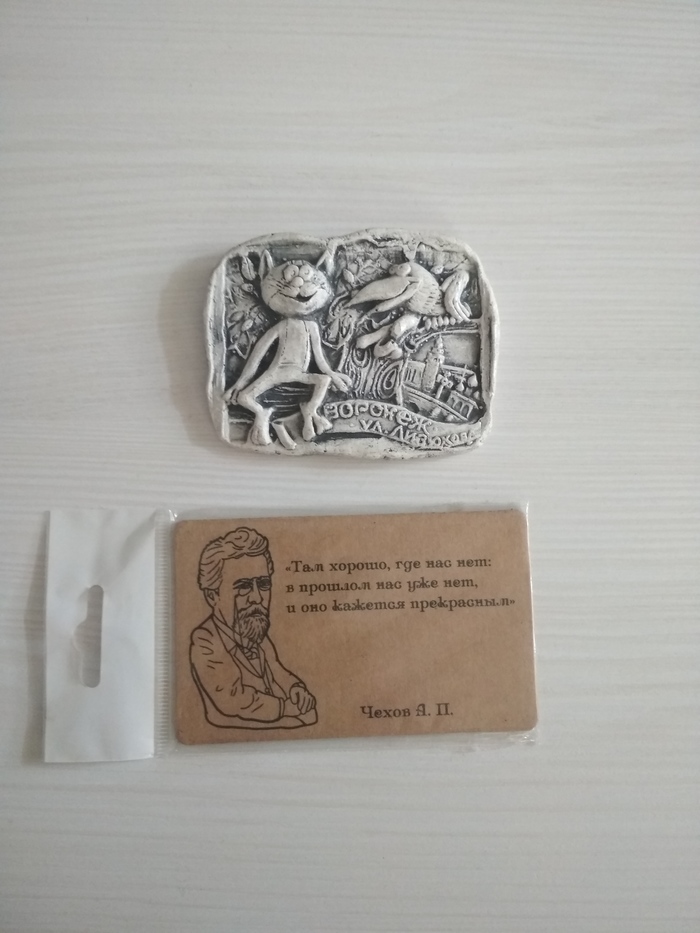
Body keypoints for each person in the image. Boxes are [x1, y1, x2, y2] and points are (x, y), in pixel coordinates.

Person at [190, 526, 317, 729]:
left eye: (263, 584)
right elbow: (233, 699)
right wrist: (285, 708)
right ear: (212, 596)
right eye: (243, 587)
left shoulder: (256, 634)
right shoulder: (205, 640)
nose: (257, 598)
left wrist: (295, 688)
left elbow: (278, 670)